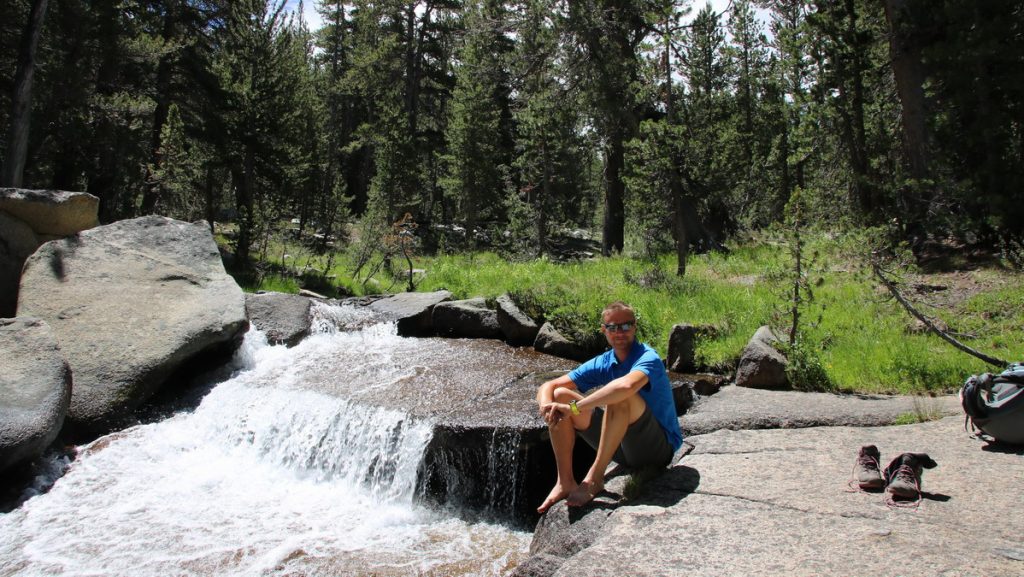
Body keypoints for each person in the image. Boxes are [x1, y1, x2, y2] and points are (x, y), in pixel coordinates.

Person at [535, 301, 683, 514]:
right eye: (612, 327)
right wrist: (547, 406)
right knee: (559, 396)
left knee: (620, 395)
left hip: (657, 450)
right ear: (604, 330)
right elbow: (549, 385)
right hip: (622, 449)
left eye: (625, 325)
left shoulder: (647, 357)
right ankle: (565, 481)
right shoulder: (604, 361)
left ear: (635, 327)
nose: (619, 332)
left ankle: (595, 478)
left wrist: (575, 408)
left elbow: (626, 386)